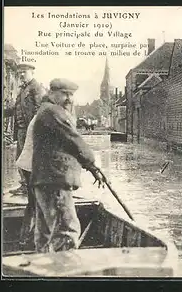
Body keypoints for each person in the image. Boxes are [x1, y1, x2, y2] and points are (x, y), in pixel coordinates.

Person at [31, 78, 107, 253]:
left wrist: (91, 166)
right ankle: (66, 272)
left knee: (44, 233)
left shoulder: (46, 110)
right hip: (55, 179)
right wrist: (93, 166)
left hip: (45, 180)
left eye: (71, 95)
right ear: (51, 93)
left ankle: (44, 271)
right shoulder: (53, 112)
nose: (69, 99)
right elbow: (74, 140)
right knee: (67, 231)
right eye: (64, 94)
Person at [6, 63, 45, 195]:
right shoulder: (23, 89)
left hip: (31, 129)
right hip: (21, 130)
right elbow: (15, 108)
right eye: (20, 72)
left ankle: (31, 186)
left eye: (25, 72)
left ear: (32, 73)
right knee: (20, 157)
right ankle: (25, 185)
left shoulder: (36, 88)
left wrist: (35, 129)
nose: (22, 74)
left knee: (29, 158)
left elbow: (40, 109)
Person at [14, 114, 38, 250]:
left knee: (32, 204)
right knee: (38, 204)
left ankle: (24, 240)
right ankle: (31, 241)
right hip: (33, 166)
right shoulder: (45, 117)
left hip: (27, 164)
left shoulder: (38, 116)